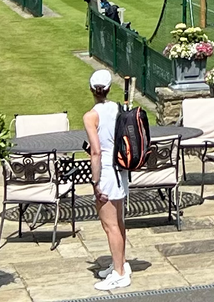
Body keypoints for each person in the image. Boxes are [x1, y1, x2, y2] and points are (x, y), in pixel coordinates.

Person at [83, 68, 131, 292]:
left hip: (107, 173)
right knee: (118, 222)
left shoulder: (91, 116)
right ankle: (119, 263)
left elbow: (96, 152)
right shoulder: (118, 108)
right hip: (121, 170)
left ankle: (119, 274)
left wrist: (95, 182)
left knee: (110, 225)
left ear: (92, 90)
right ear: (109, 89)